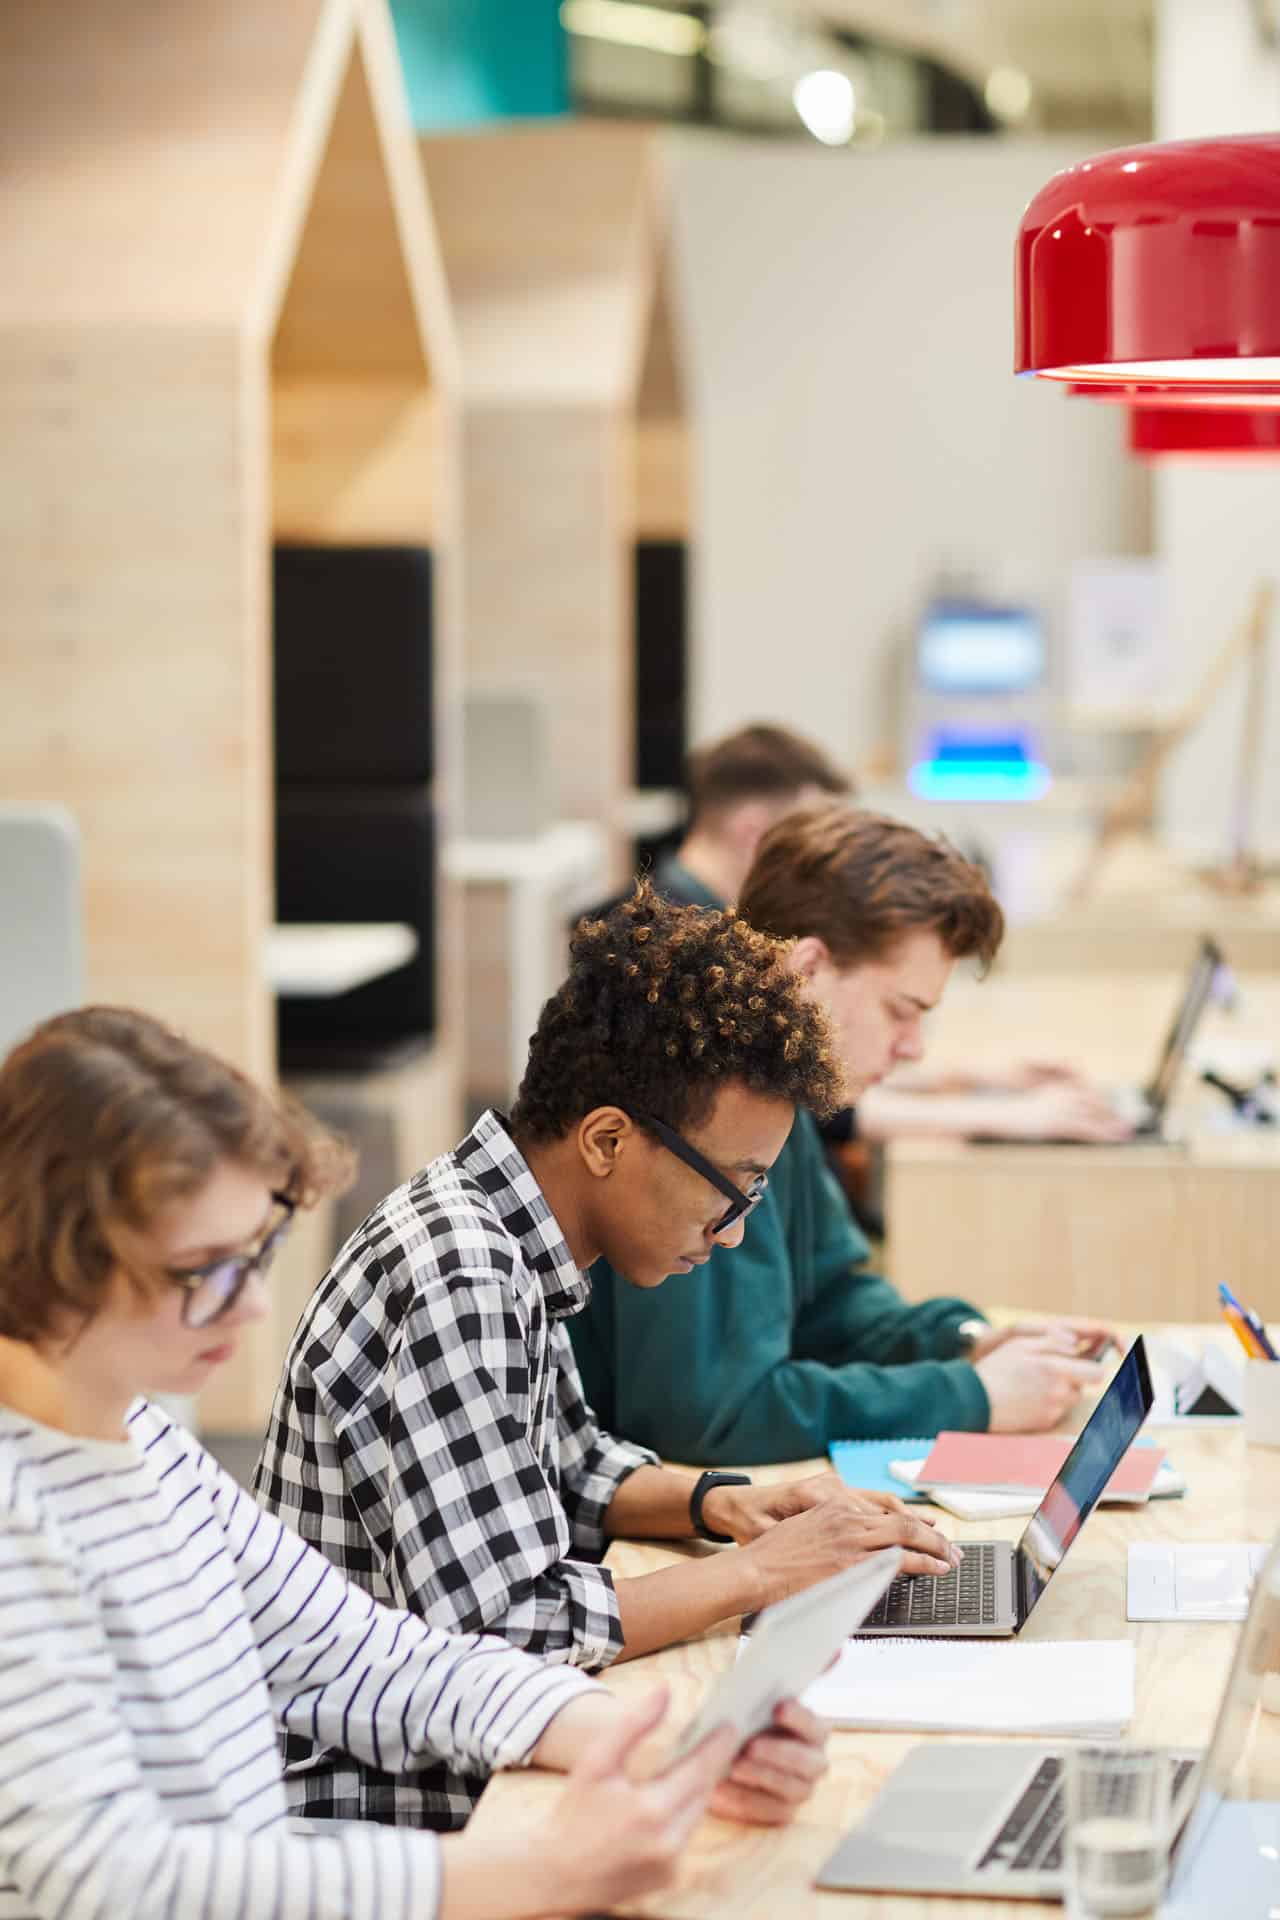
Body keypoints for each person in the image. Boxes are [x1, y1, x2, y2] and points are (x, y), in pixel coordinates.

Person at [0, 1006, 834, 1920]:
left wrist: (667, 1737)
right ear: (56, 1256)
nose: (249, 1313)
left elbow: (365, 1656)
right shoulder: (20, 1512)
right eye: (208, 1272)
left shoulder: (147, 1445)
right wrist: (537, 1871)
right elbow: (100, 1879)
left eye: (256, 1257)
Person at [254, 886, 958, 1830]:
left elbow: (572, 1463)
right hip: (382, 1804)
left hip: (463, 1762)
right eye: (732, 1192)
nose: (737, 1235)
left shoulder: (508, 1234)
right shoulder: (460, 1270)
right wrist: (759, 1575)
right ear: (608, 1140)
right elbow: (512, 1632)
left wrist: (726, 1503)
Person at [571, 807, 1115, 1466]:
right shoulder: (702, 1112)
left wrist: (965, 1343)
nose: (913, 1049)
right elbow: (711, 1417)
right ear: (808, 971)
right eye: (901, 1011)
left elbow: (833, 1300)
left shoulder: (781, 1094)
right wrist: (969, 1396)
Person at [612, 722, 1130, 1147]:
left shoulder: (718, 931)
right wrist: (1002, 1113)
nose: (826, 853)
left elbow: (828, 1068)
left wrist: (973, 1079)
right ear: (756, 832)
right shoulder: (676, 964)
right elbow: (819, 1109)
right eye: (811, 831)